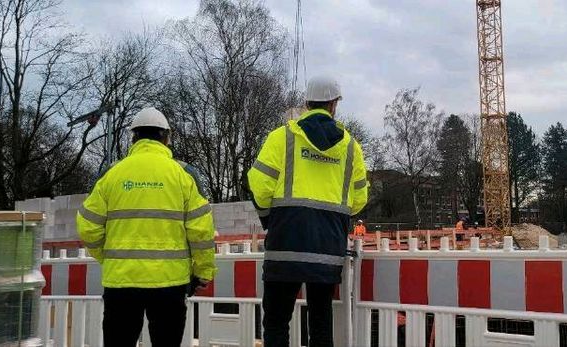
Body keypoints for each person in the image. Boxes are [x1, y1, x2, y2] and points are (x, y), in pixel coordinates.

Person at [76, 107, 217, 347]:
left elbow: (88, 226)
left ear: (134, 137)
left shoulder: (112, 173)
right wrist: (202, 273)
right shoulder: (183, 174)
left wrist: (110, 257)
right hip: (169, 285)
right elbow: (201, 231)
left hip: (121, 284)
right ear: (166, 137)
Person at [248, 76, 368, 347]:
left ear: (307, 103)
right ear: (334, 105)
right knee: (321, 323)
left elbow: (259, 186)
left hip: (285, 245)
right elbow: (359, 200)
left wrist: (272, 218)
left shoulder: (282, 138)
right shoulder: (351, 147)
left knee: (277, 323)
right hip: (327, 249)